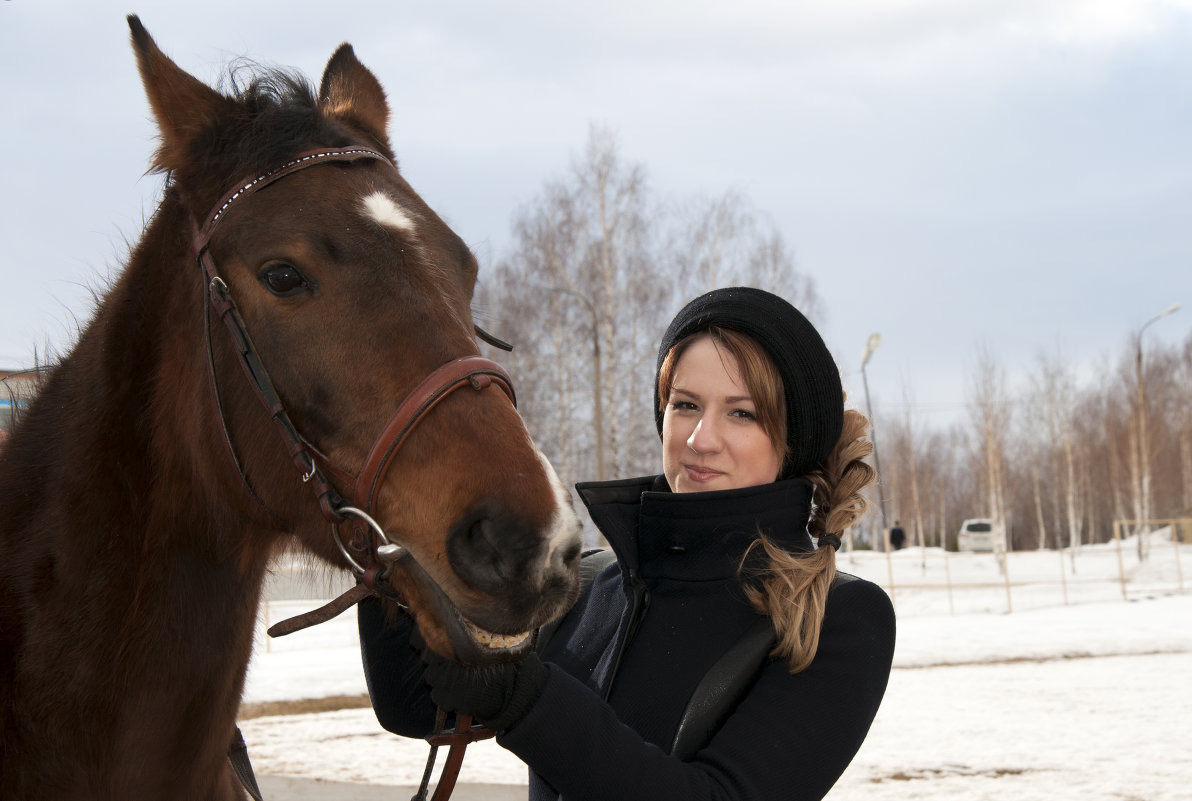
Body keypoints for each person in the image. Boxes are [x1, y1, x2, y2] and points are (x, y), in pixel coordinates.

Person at [358, 286, 896, 801]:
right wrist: (387, 513)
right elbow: (417, 704)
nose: (699, 440)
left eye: (742, 413)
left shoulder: (839, 617)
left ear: (793, 440)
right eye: (685, 404)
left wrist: (526, 698)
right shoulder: (592, 584)